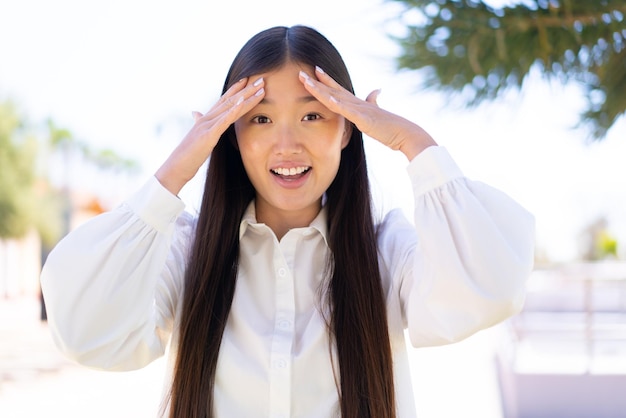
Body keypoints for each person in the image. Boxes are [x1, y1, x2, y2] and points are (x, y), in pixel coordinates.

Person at [40, 25, 535, 418]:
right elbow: (86, 332)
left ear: (349, 128)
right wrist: (175, 172)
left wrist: (413, 142)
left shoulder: (386, 251)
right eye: (259, 118)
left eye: (313, 115)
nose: (286, 144)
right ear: (229, 135)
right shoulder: (188, 252)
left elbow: (489, 290)